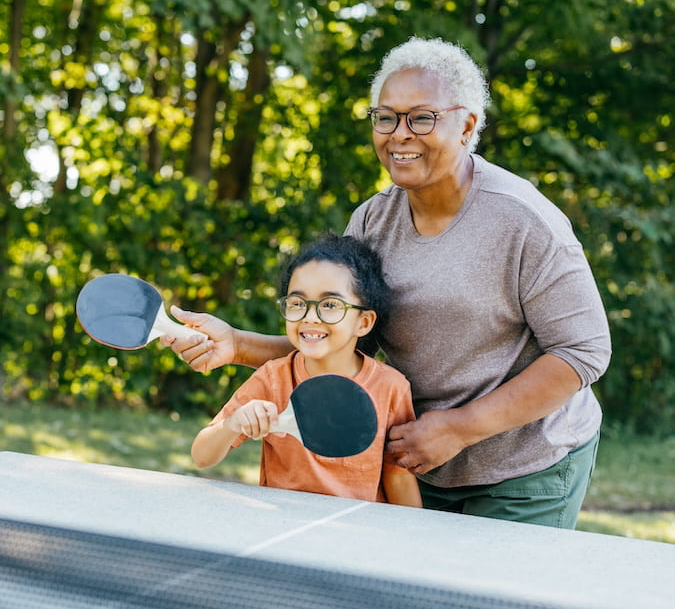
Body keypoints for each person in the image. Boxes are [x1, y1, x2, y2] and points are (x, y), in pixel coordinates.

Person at [164, 37, 611, 528]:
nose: (400, 134)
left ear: (466, 125)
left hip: (524, 466)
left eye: (421, 118)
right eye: (386, 117)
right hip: (412, 460)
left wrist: (460, 429)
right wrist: (237, 344)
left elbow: (582, 352)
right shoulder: (373, 221)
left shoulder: (525, 222)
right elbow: (347, 338)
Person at [190, 233, 422, 507]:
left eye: (331, 305)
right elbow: (202, 456)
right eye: (298, 303)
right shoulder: (272, 379)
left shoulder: (391, 388)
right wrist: (233, 424)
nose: (310, 317)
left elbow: (398, 475)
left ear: (364, 322)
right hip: (282, 524)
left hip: (358, 536)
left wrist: (414, 541)